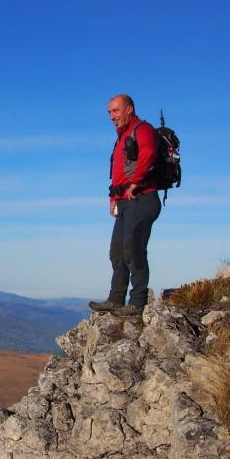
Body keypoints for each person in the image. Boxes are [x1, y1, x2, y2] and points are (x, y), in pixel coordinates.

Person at [89, 94, 162, 316]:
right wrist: (114, 199)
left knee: (133, 249)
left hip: (143, 198)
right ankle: (116, 299)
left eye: (116, 111)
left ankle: (137, 303)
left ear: (129, 109)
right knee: (117, 251)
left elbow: (148, 154)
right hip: (125, 202)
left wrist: (136, 182)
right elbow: (118, 174)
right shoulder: (121, 138)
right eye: (110, 112)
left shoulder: (143, 129)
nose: (112, 116)